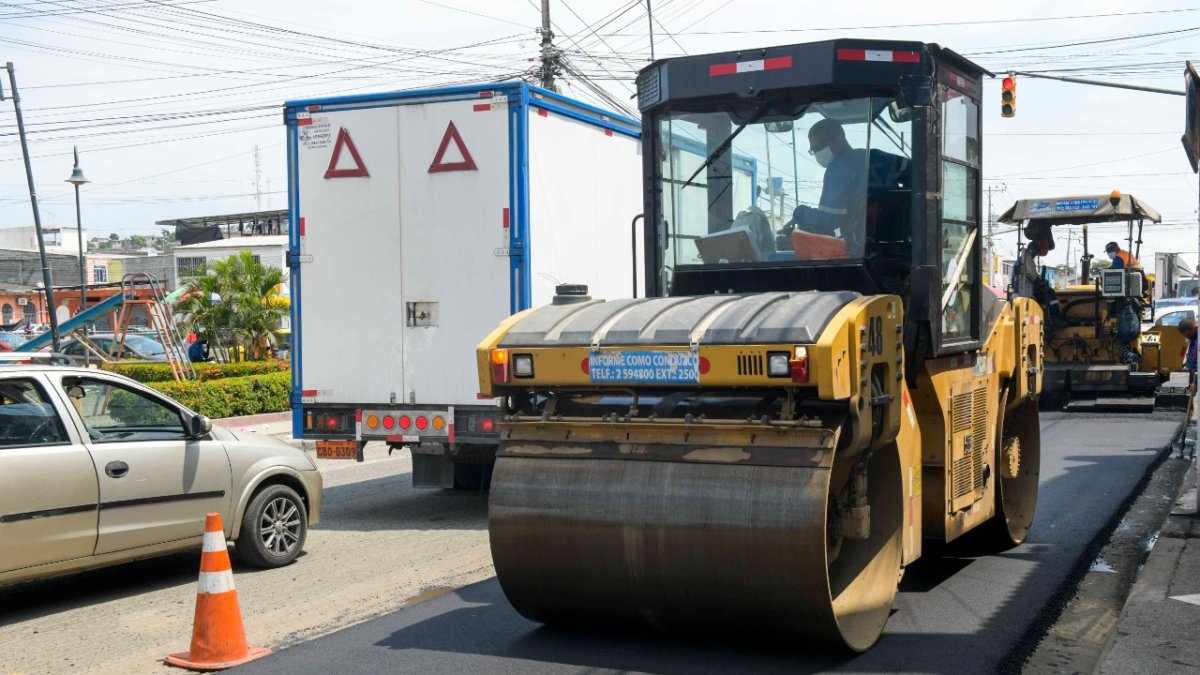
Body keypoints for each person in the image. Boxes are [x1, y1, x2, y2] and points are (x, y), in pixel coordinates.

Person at [786, 118, 910, 250]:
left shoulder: (837, 169)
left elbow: (830, 220)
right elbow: (916, 173)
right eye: (813, 150)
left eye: (819, 147)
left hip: (860, 249)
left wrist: (800, 213)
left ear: (839, 139)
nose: (817, 152)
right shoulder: (877, 156)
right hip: (898, 242)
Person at [1180, 317, 1198, 396]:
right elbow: (1192, 358)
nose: (1187, 337)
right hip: (1194, 372)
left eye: (1188, 335)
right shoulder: (1193, 339)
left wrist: (1195, 383)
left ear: (1195, 328)